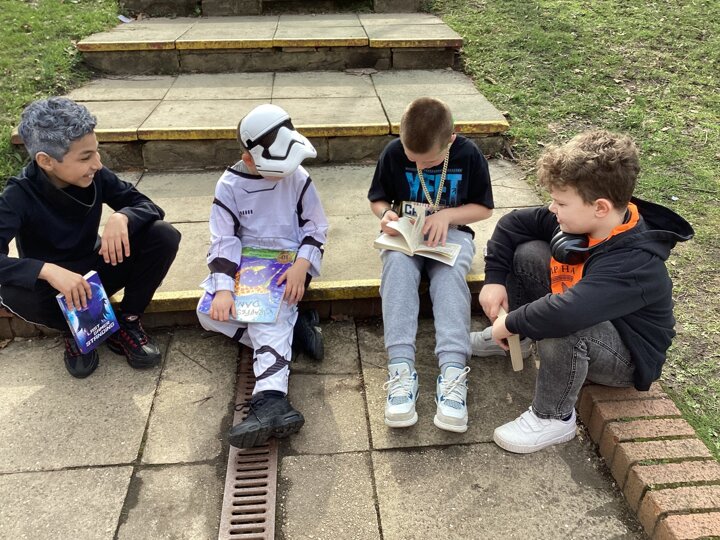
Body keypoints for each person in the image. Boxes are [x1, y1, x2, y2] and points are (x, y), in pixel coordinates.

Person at [473, 130, 694, 453]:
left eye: (561, 203)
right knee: (529, 253)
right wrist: (494, 279)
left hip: (626, 355)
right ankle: (519, 342)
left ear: (600, 207)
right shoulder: (582, 221)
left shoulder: (634, 262)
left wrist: (510, 321)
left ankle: (553, 417)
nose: (552, 208)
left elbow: (567, 313)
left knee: (564, 324)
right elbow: (513, 224)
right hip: (584, 311)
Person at [0, 97, 181, 378]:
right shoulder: (18, 195)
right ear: (46, 161)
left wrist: (123, 216)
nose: (97, 163)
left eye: (96, 151)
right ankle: (75, 331)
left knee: (163, 234)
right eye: (85, 157)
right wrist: (47, 271)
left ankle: (128, 321)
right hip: (55, 289)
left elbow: (147, 205)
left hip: (97, 268)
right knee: (12, 291)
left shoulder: (95, 174)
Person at [196, 104, 328, 449]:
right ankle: (293, 331)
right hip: (246, 266)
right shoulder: (229, 185)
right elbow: (223, 240)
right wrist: (223, 289)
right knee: (209, 313)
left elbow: (316, 227)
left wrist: (302, 265)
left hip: (289, 266)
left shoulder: (298, 177)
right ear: (248, 159)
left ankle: (271, 399)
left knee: (267, 317)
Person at [368, 97, 494, 433]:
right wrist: (386, 214)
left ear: (452, 138)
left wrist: (448, 216)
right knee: (396, 267)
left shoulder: (468, 154)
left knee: (450, 277)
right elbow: (377, 198)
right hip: (405, 234)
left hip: (452, 235)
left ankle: (453, 371)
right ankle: (400, 369)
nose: (420, 165)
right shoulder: (394, 152)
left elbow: (484, 208)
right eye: (413, 158)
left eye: (430, 161)